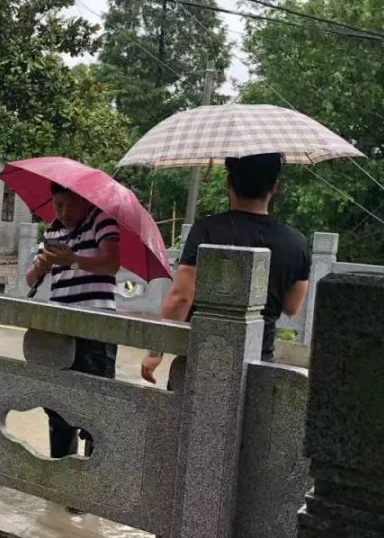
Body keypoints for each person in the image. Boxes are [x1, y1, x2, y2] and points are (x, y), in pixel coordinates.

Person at [140, 152, 311, 385]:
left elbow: (182, 297)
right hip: (258, 361)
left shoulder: (206, 230)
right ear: (275, 186)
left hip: (203, 354)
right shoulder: (296, 242)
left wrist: (156, 350)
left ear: (228, 181)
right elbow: (292, 307)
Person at [24, 183, 121, 459]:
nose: (63, 212)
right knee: (57, 404)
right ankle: (61, 471)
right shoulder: (53, 230)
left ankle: (91, 481)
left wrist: (74, 260)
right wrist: (41, 266)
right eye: (58, 205)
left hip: (96, 325)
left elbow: (112, 263)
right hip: (60, 326)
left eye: (69, 205)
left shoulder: (101, 220)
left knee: (95, 406)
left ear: (84, 199)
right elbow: (30, 280)